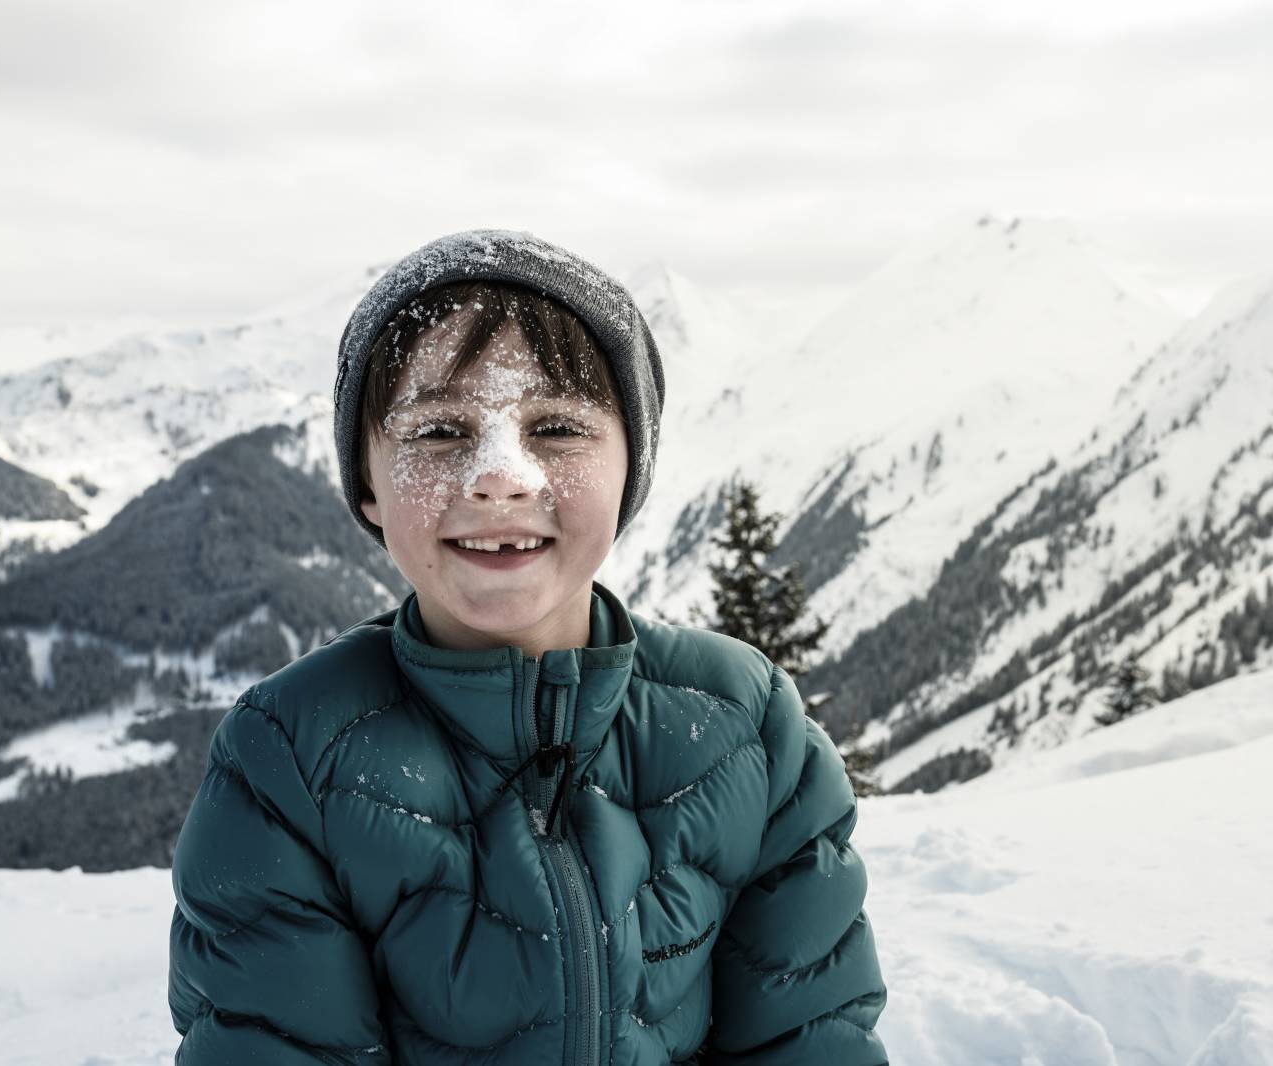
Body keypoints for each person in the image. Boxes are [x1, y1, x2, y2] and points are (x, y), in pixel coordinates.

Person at [166, 229, 889, 1064]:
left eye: (556, 427)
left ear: (632, 474)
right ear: (367, 485)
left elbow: (809, 1036)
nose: (501, 474)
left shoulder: (746, 724)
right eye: (438, 431)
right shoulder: (290, 756)